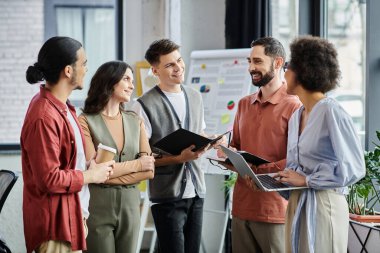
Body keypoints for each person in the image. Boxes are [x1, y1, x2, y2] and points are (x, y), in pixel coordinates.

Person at [21, 36, 114, 253]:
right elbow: (49, 179)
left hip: (72, 217)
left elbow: (67, 164)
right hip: (56, 228)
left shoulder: (65, 108)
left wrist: (89, 167)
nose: (86, 69)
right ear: (68, 71)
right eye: (83, 64)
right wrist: (90, 176)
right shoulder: (44, 116)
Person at [277, 36, 365, 253]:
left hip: (324, 206)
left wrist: (307, 180)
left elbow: (355, 168)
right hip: (297, 204)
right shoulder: (297, 115)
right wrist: (280, 180)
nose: (284, 73)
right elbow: (297, 169)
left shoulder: (331, 111)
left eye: (288, 67)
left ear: (303, 71)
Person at [218, 37, 302, 253]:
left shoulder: (294, 106)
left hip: (275, 212)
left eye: (257, 61)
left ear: (277, 63)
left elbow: (297, 159)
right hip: (241, 208)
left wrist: (258, 172)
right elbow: (235, 145)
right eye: (249, 61)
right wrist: (225, 152)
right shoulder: (244, 104)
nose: (251, 68)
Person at [131, 38, 211, 253]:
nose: (178, 68)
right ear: (155, 71)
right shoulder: (143, 105)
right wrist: (178, 159)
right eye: (170, 65)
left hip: (196, 192)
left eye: (179, 61)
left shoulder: (195, 96)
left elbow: (199, 132)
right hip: (166, 196)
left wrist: (212, 142)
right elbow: (140, 159)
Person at [78, 61, 155, 253]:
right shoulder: (85, 121)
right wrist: (137, 163)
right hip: (98, 206)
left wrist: (110, 174)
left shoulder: (135, 120)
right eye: (126, 79)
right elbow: (94, 170)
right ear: (110, 82)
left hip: (131, 206)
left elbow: (149, 170)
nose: (131, 85)